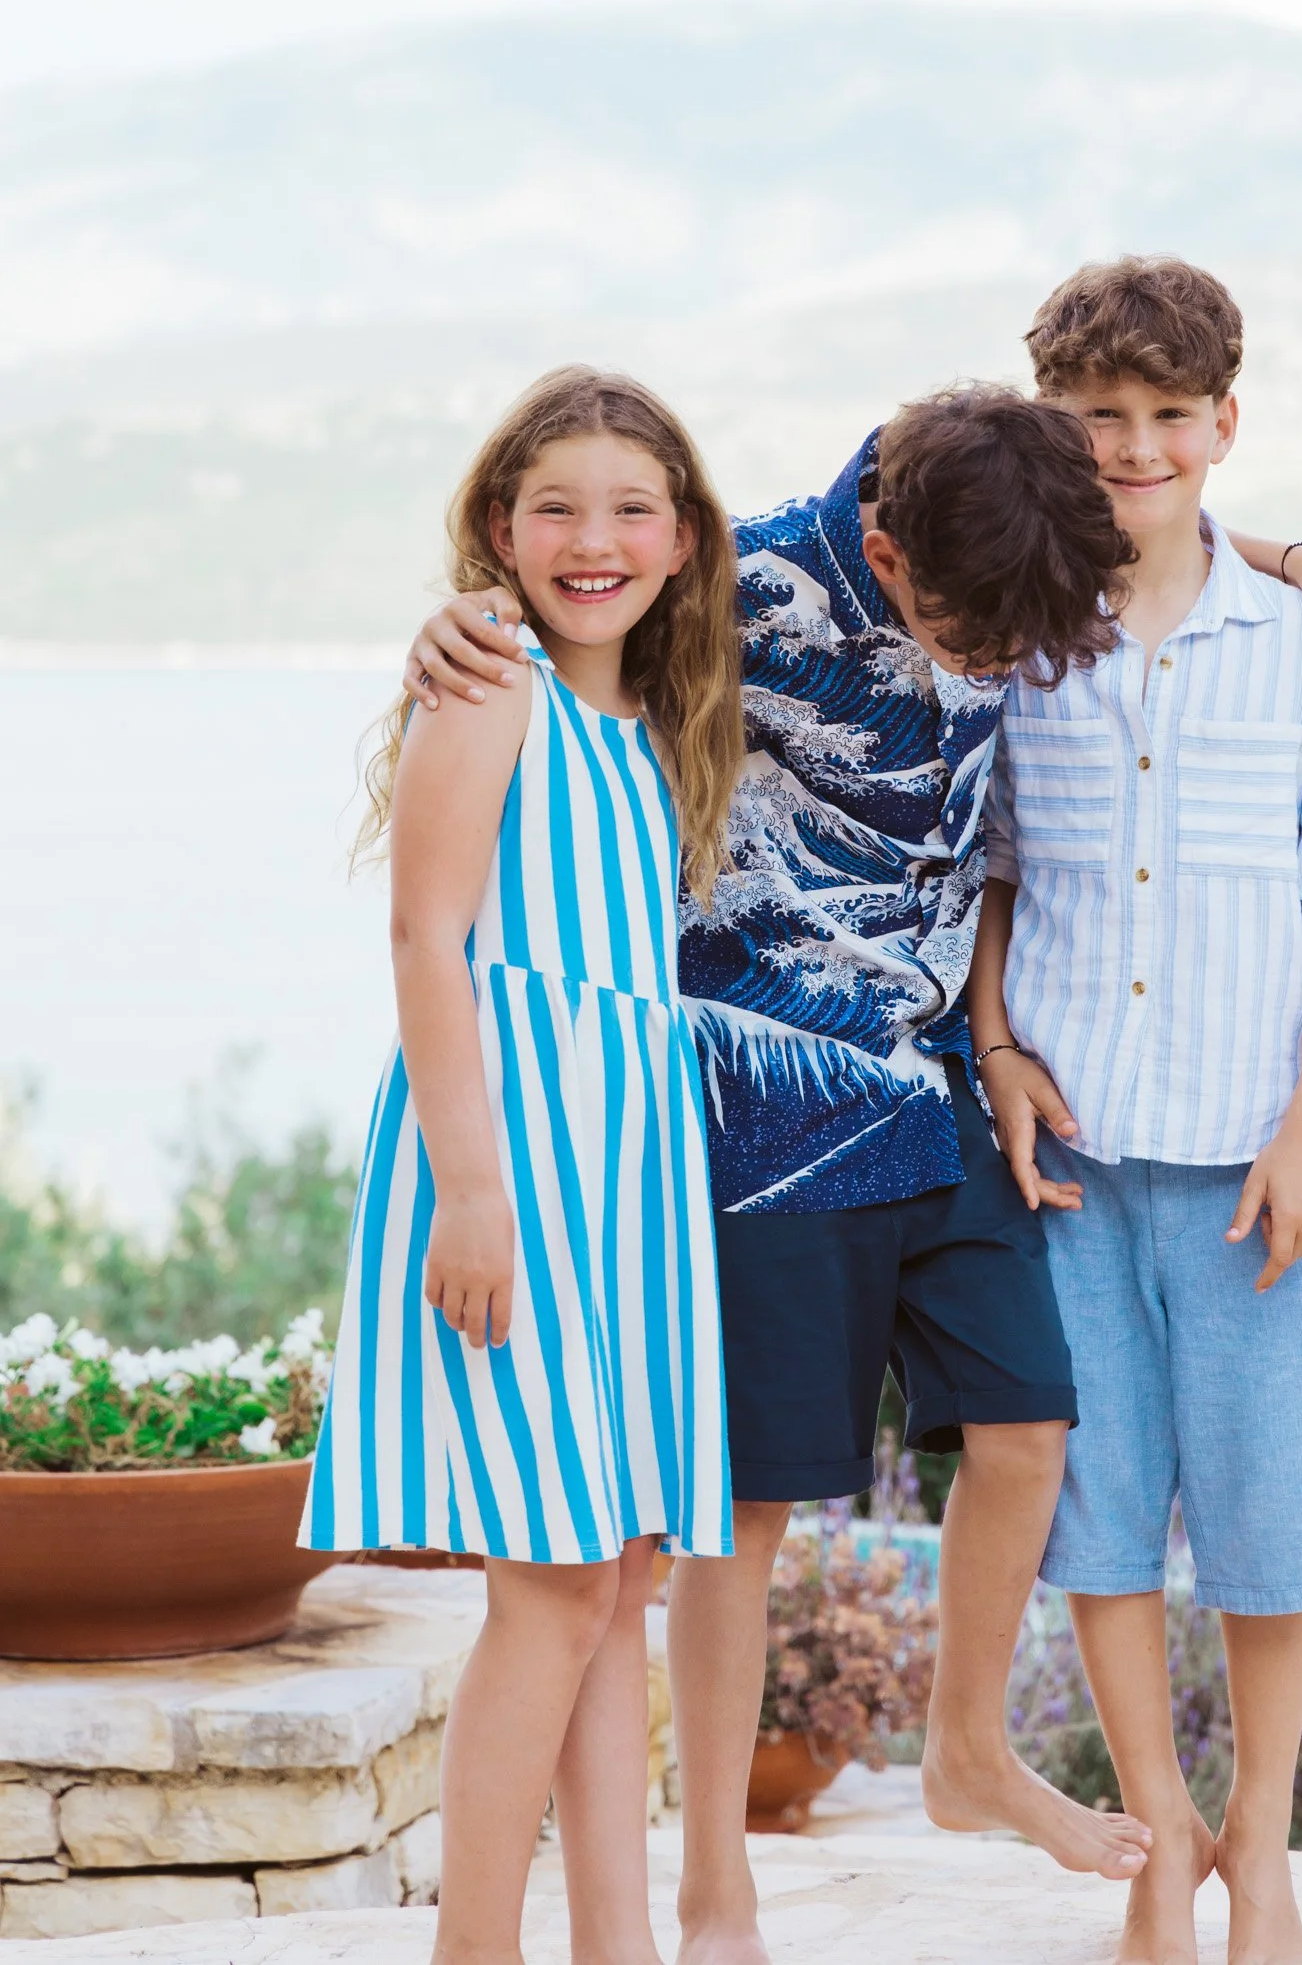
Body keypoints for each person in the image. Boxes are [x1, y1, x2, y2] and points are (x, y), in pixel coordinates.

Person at [407, 374, 1302, 1965]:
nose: (991, 662)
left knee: (1027, 1428)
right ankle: (715, 1889)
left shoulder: (1010, 526)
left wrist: (1290, 560)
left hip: (940, 1084)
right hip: (751, 1101)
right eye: (964, 632)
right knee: (746, 1513)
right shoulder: (743, 586)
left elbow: (1149, 505)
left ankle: (965, 1753)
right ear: (879, 539)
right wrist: (449, 631)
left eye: (1018, 642)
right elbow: (578, 593)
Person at [968, 257, 1302, 1965]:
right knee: (1101, 1515)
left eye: (1166, 416)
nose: (1132, 445)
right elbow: (989, 878)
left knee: (1267, 1523)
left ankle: (1267, 1858)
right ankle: (1159, 1842)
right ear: (1051, 429)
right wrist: (997, 1048)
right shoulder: (1014, 638)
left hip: (1252, 1172)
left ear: (1226, 425)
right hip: (1068, 1165)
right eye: (1096, 418)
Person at [304, 367, 743, 1965]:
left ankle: (614, 1948)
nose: (592, 538)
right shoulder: (489, 681)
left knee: (614, 1579)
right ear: (500, 527)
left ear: (685, 541)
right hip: (511, 1156)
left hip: (627, 1172)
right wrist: (476, 1191)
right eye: (553, 505)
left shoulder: (636, 725)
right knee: (550, 1588)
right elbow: (427, 936)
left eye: (632, 508)